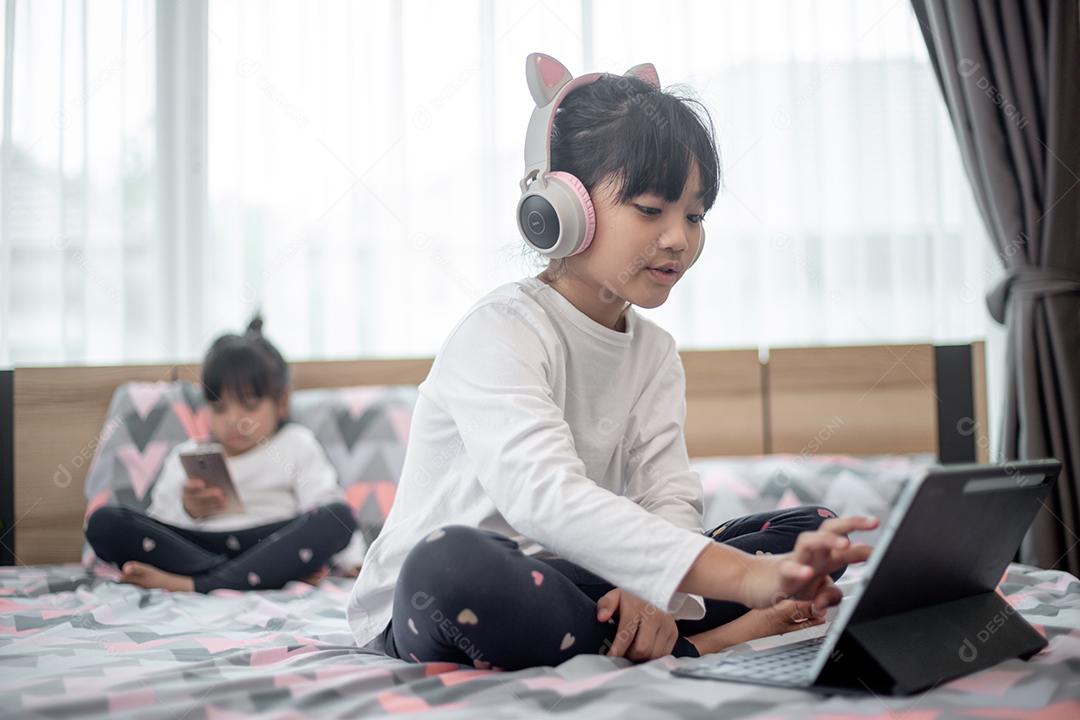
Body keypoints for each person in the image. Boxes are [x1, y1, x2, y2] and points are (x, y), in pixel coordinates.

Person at [346, 54, 876, 670]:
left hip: (582, 580)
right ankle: (699, 644)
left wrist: (654, 588)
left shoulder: (655, 352)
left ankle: (638, 634)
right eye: (652, 209)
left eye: (695, 215)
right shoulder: (500, 331)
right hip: (451, 597)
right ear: (563, 209)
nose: (679, 237)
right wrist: (743, 581)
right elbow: (545, 498)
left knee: (808, 529)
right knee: (450, 567)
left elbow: (668, 494)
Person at [86, 316, 362, 592]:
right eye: (219, 407)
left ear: (281, 403)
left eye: (249, 406)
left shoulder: (295, 443)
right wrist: (187, 510)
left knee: (337, 517)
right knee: (104, 523)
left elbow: (326, 508)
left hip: (271, 544)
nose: (233, 419)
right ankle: (255, 576)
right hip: (201, 545)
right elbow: (161, 525)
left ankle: (194, 584)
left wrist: (352, 561)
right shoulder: (189, 454)